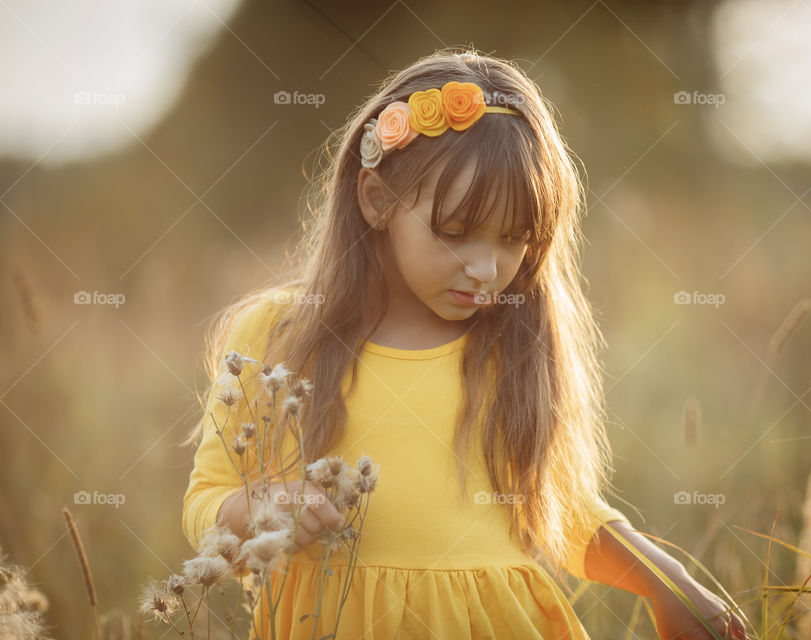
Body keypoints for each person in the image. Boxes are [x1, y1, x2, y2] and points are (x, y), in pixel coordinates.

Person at [182, 48, 747, 640]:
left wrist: (669, 582)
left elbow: (559, 509)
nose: (486, 268)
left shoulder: (512, 345)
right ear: (377, 201)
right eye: (455, 233)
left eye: (514, 238)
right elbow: (208, 501)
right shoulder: (278, 337)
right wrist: (259, 509)